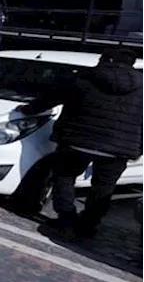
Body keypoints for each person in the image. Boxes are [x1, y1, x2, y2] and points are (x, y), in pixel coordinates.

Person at [20, 47, 144, 237]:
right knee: (103, 189)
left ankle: (66, 220)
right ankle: (88, 226)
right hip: (119, 148)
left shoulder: (85, 76)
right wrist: (138, 149)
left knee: (64, 177)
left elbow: (52, 97)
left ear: (105, 59)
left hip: (78, 139)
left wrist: (29, 109)